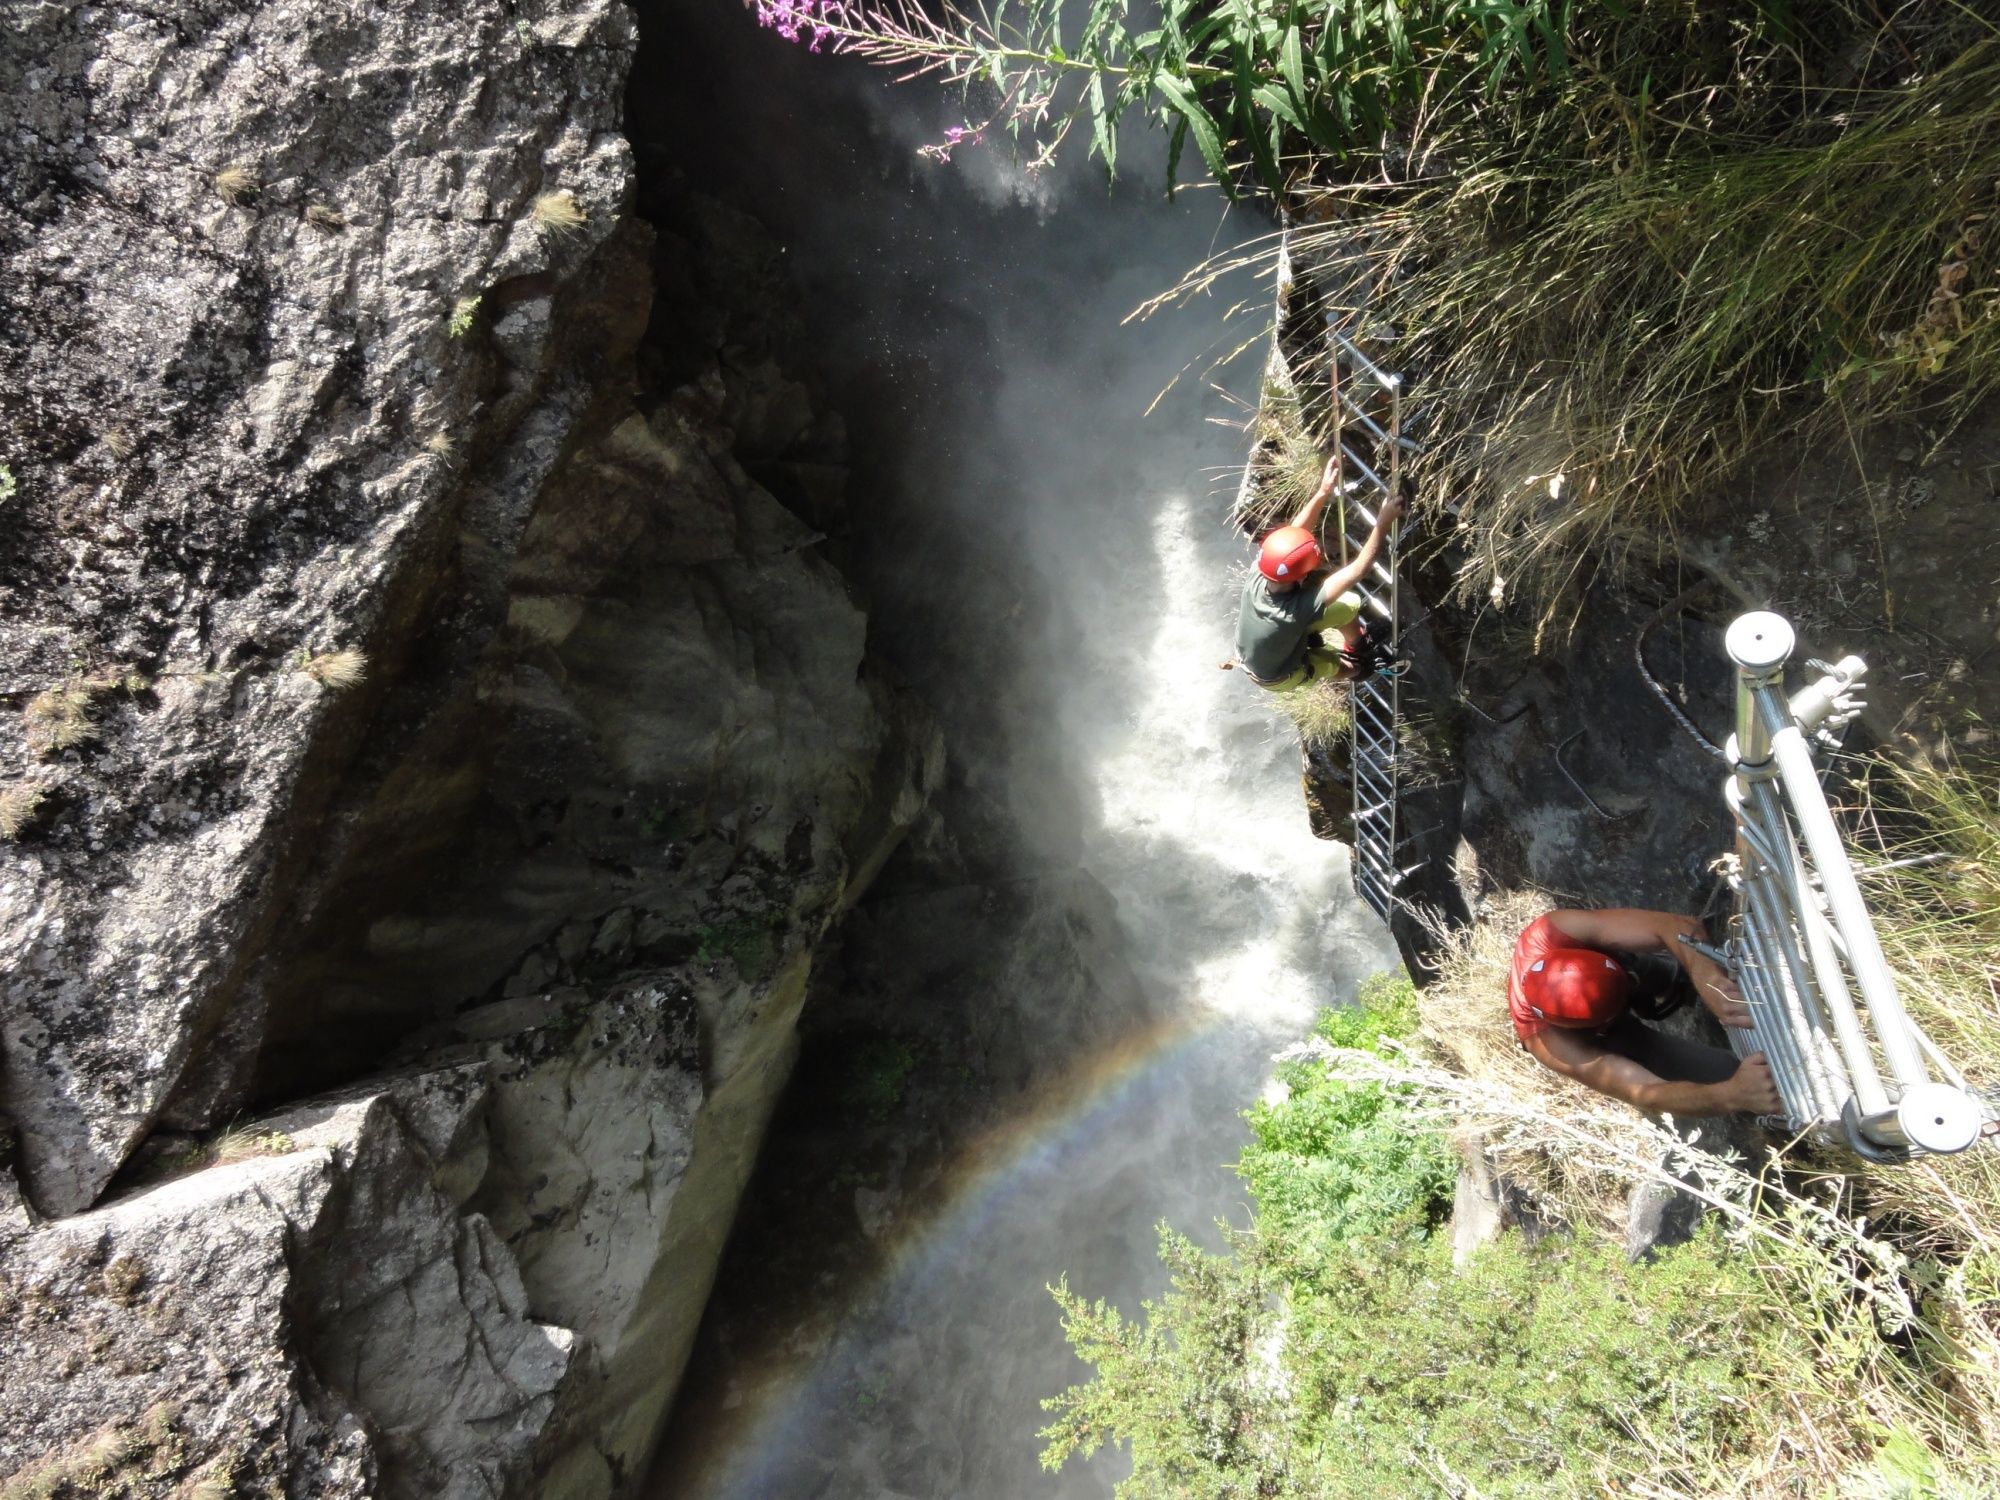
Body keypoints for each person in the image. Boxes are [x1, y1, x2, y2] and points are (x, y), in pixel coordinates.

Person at [1510, 907, 1783, 1117]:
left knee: (1648, 968)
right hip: (1607, 1034)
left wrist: (1709, 980)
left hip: (1619, 969)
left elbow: (1674, 925)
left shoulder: (1553, 932)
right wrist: (1732, 1095)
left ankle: (1670, 981)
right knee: (1725, 1075)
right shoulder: (1551, 1043)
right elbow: (1647, 1093)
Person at [1235, 454, 1403, 691]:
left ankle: (1357, 647)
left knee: (1348, 603)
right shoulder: (1293, 613)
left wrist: (1323, 491)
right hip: (1275, 675)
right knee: (1325, 662)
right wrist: (1383, 522)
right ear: (1301, 576)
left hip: (1266, 645)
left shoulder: (1263, 569)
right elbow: (1358, 570)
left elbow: (1294, 533)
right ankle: (1359, 670)